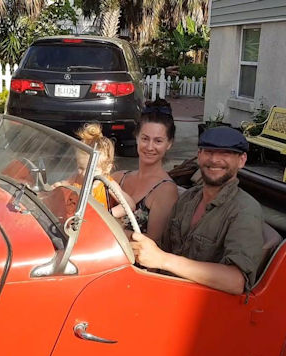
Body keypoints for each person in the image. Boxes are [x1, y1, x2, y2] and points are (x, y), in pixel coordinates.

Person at [130, 126, 264, 295]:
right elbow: (163, 247)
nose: (214, 159)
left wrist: (163, 260)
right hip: (164, 291)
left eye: (226, 153)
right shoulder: (189, 198)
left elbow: (236, 281)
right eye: (208, 151)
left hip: (202, 309)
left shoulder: (245, 210)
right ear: (199, 156)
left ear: (241, 160)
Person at [112, 101, 179, 242]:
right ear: (136, 137)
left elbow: (151, 241)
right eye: (145, 139)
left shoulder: (166, 190)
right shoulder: (119, 177)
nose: (149, 147)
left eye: (158, 141)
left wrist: (107, 229)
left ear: (169, 144)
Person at [57, 123, 134, 218]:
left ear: (107, 168)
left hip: (99, 226)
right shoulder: (77, 178)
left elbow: (130, 205)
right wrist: (57, 186)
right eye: (81, 168)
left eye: (92, 170)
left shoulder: (108, 185)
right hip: (77, 223)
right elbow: (64, 184)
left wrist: (107, 215)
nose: (85, 174)